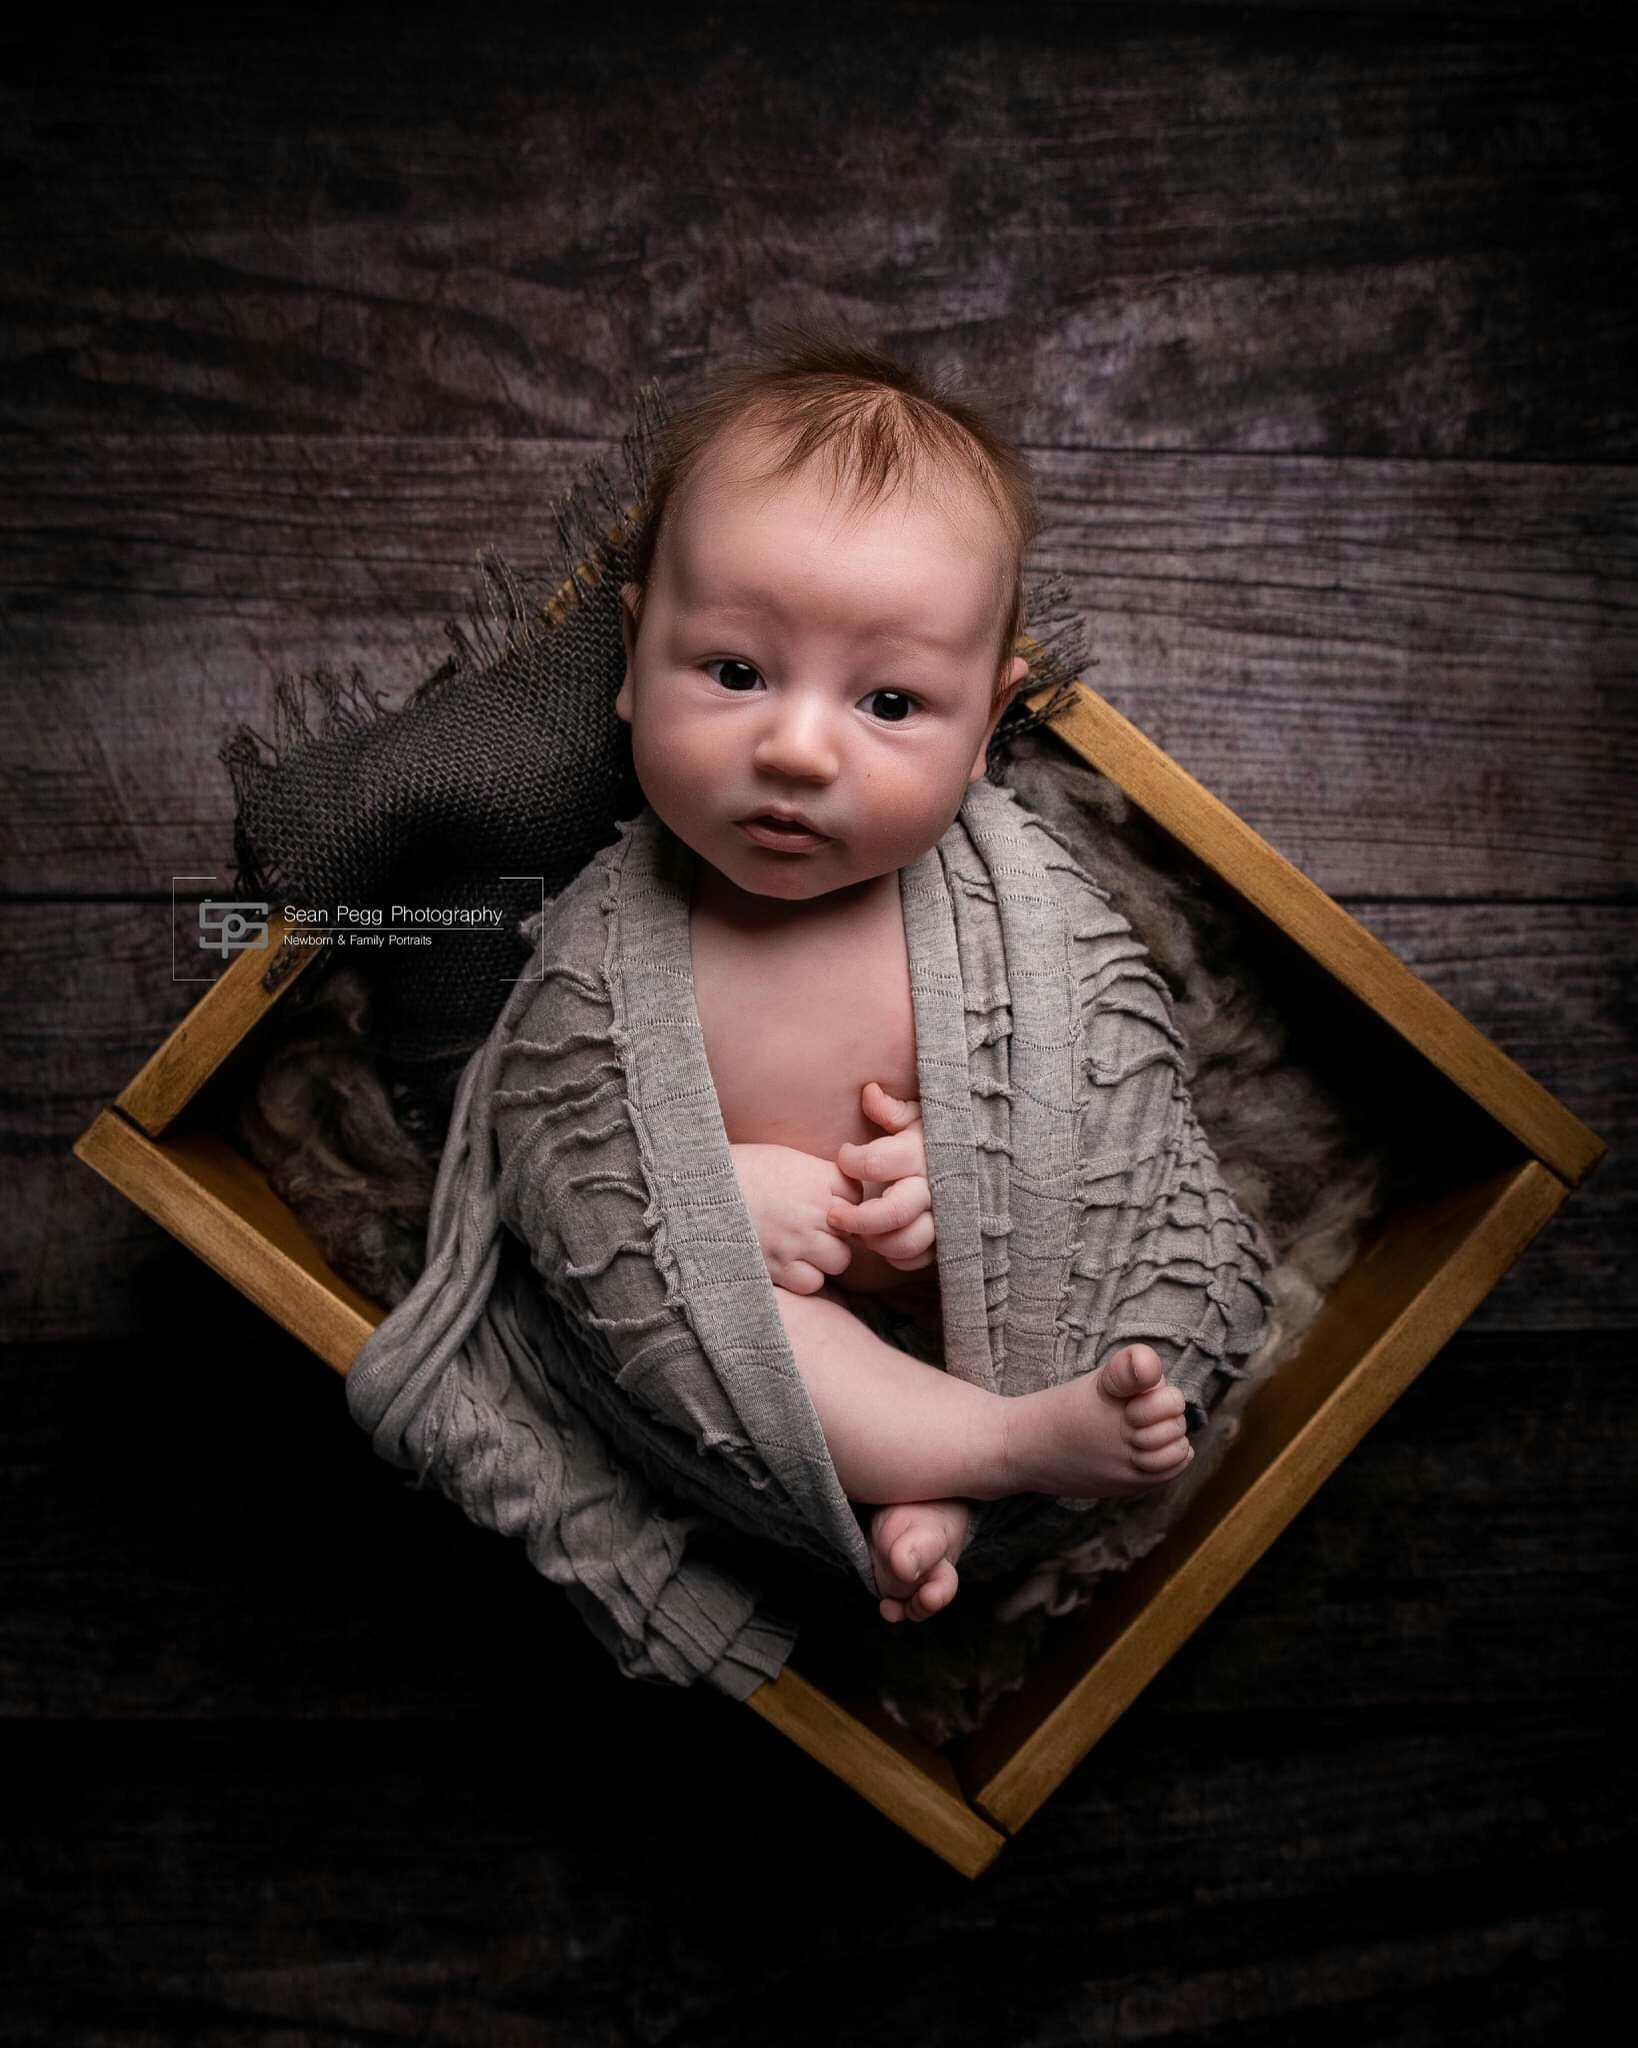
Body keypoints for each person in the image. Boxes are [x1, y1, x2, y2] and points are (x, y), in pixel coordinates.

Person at [613, 326, 1195, 1627]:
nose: (800, 748)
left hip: (994, 1290)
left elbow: (1105, 1095)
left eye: (888, 704)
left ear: (988, 723)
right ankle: (977, 1451)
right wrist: (702, 1194)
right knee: (726, 1322)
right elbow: (560, 1153)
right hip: (788, 1312)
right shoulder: (608, 933)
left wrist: (979, 1171)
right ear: (631, 654)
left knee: (1125, 1297)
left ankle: (966, 1446)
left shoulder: (1019, 912)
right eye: (734, 671)